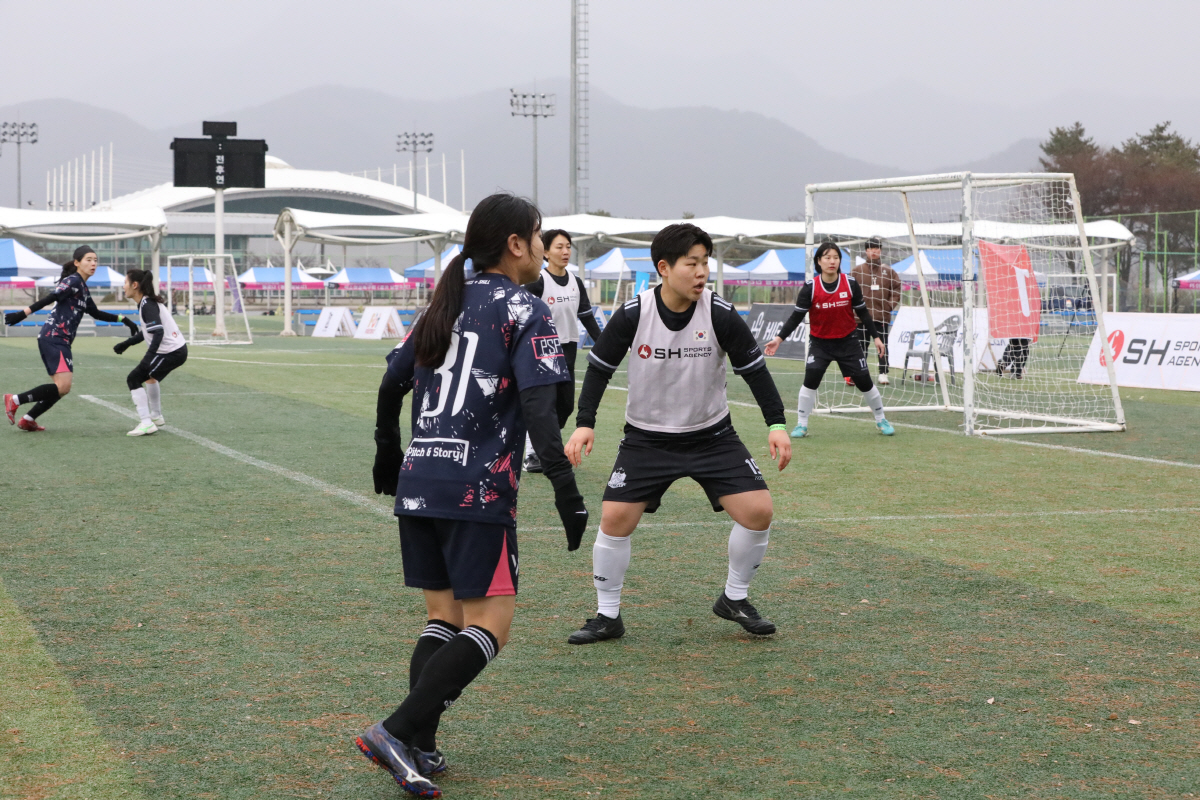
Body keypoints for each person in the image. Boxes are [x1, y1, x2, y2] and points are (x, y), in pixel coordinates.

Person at [357, 193, 589, 798]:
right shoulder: (527, 307)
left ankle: (420, 744)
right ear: (515, 244)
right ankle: (394, 730)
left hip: (420, 478)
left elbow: (391, 380)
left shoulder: (445, 302)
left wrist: (387, 449)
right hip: (476, 486)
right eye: (537, 235)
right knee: (491, 626)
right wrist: (566, 490)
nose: (542, 246)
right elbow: (541, 411)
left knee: (443, 620)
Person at [564, 223, 792, 645]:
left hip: (713, 436)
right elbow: (598, 369)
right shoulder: (634, 313)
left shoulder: (720, 313)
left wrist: (776, 425)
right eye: (692, 263)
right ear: (664, 268)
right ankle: (607, 615)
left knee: (759, 511)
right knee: (614, 519)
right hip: (646, 439)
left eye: (705, 262)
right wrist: (584, 422)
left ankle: (735, 598)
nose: (701, 271)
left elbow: (755, 372)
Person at [764, 241, 895, 439]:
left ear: (840, 261)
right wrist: (778, 339)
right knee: (810, 381)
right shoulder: (810, 287)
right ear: (819, 261)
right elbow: (796, 317)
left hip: (848, 342)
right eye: (827, 257)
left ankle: (881, 419)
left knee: (865, 382)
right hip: (820, 344)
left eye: (835, 257)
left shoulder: (850, 283)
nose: (832, 261)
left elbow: (863, 313)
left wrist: (876, 337)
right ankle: (802, 424)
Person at [4, 246, 138, 431]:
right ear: (77, 262)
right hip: (54, 337)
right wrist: (22, 313)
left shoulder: (82, 287)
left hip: (61, 340)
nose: (93, 263)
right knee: (63, 386)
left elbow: (96, 313)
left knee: (62, 387)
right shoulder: (73, 281)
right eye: (88, 260)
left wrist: (124, 319)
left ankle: (28, 419)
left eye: (95, 260)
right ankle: (14, 400)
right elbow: (52, 297)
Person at [521, 229, 603, 473]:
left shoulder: (576, 283)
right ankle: (532, 455)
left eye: (568, 246)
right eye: (559, 247)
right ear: (546, 252)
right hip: (542, 350)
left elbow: (587, 317)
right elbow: (522, 317)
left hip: (568, 349)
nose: (566, 251)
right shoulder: (538, 282)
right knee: (544, 404)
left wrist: (605, 345)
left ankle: (545, 449)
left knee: (565, 406)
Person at [112, 269, 188, 437]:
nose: (123, 287)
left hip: (171, 352)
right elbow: (148, 331)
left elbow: (158, 332)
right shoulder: (145, 303)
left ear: (135, 285)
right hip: (176, 350)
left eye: (125, 283)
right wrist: (127, 344)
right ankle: (156, 416)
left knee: (134, 378)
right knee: (149, 377)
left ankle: (146, 423)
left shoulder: (147, 304)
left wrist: (148, 358)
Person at [850, 237, 900, 386]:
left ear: (880, 250)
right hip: (860, 318)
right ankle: (859, 374)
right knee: (860, 347)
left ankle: (883, 373)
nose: (874, 251)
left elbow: (896, 289)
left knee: (882, 346)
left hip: (881, 316)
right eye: (870, 248)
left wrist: (889, 306)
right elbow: (849, 290)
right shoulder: (857, 271)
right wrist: (853, 308)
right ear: (866, 251)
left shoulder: (889, 271)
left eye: (876, 248)